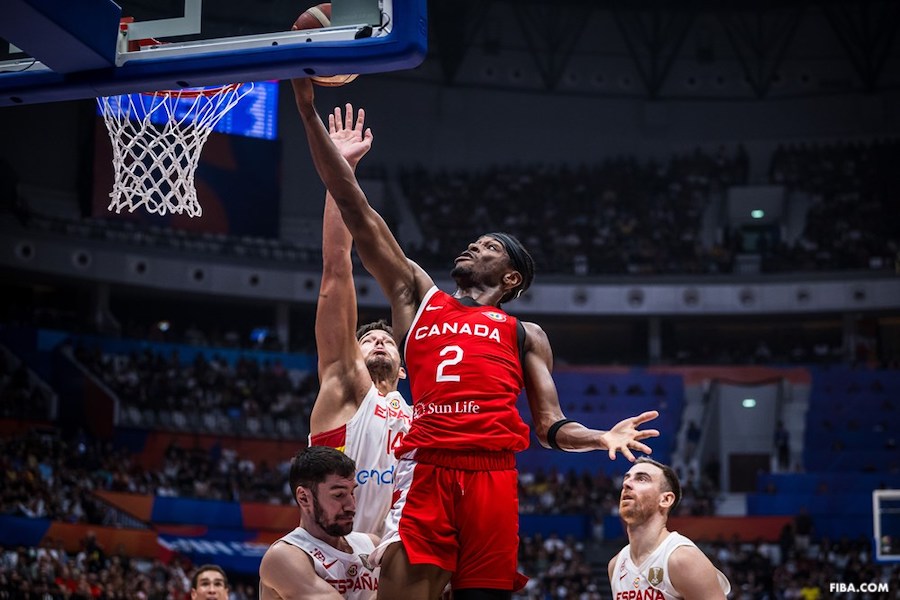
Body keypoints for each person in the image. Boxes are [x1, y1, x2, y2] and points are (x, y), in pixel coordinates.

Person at [292, 78, 660, 600]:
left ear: (511, 278)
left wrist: (602, 437)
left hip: (493, 477)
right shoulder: (419, 296)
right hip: (431, 469)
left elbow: (549, 427)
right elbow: (357, 212)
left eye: (487, 247)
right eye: (475, 241)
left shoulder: (524, 333)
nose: (473, 245)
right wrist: (309, 117)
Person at [308, 99, 412, 537]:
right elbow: (337, 266)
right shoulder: (345, 384)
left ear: (406, 371)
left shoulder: (417, 415)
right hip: (337, 560)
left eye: (387, 339)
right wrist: (340, 172)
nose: (380, 341)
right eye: (367, 339)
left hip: (397, 568)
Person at [259, 446, 379, 599]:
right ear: (304, 498)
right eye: (339, 495)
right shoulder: (283, 556)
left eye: (352, 492)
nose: (351, 506)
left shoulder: (372, 544)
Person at [608, 458, 731, 599]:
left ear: (665, 500)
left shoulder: (683, 559)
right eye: (627, 478)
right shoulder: (616, 565)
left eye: (642, 479)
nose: (626, 483)